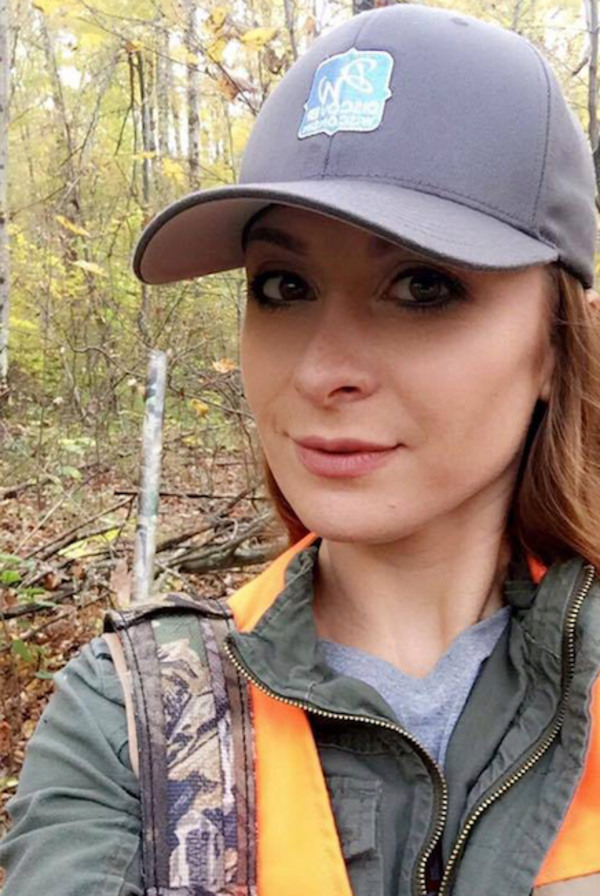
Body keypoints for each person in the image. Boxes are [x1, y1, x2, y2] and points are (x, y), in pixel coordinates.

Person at [2, 4, 600, 895]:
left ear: (555, 341)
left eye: (421, 286)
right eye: (284, 286)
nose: (321, 370)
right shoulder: (135, 719)